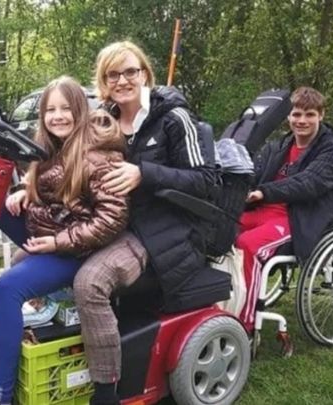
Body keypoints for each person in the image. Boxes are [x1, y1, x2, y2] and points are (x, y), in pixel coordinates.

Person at [72, 41, 219, 404]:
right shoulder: (101, 120)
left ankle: (105, 392)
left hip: (163, 230)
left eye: (130, 71)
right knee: (30, 259)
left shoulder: (174, 119)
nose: (122, 80)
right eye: (113, 74)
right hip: (113, 222)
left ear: (145, 74)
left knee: (90, 282)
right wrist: (29, 188)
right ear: (103, 81)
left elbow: (208, 181)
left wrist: (144, 174)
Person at [0, 76, 129, 405]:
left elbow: (112, 219)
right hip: (51, 234)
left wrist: (57, 243)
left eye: (66, 108)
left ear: (80, 110)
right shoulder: (48, 147)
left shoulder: (100, 153)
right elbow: (52, 191)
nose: (58, 116)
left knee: (7, 288)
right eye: (50, 110)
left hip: (79, 249)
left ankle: (0, 394)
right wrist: (23, 191)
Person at [235, 86, 333, 333]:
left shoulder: (331, 150)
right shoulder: (279, 146)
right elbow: (254, 172)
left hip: (298, 217)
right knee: (220, 232)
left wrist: (264, 192)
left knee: (248, 245)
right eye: (296, 114)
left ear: (321, 115)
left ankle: (245, 323)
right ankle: (222, 304)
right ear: (288, 116)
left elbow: (308, 182)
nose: (301, 120)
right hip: (263, 210)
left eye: (309, 114)